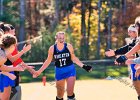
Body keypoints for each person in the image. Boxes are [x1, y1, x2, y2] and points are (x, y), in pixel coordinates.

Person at [33, 31, 93, 100]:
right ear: (56, 38)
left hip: (70, 70)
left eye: (63, 38)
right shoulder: (52, 49)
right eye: (60, 38)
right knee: (60, 95)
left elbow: (74, 58)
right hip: (59, 72)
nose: (61, 40)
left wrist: (84, 66)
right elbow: (48, 61)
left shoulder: (69, 46)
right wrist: (39, 71)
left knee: (70, 93)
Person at [0, 23, 35, 100]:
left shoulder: (3, 55)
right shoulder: (2, 56)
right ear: (12, 46)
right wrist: (8, 73)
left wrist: (16, 68)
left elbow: (2, 67)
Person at [115, 16, 140, 100]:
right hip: (136, 65)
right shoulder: (136, 41)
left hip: (137, 65)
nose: (129, 34)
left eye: (136, 26)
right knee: (135, 82)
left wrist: (124, 57)